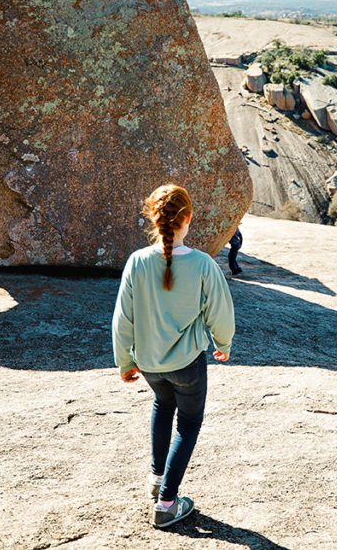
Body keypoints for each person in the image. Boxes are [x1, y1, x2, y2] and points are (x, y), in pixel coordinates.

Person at [112, 184, 235, 529]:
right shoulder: (202, 264)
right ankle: (167, 503)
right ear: (189, 218)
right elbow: (220, 312)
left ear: (152, 216)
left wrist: (125, 361)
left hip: (149, 364)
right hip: (187, 364)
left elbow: (123, 318)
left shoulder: (137, 262)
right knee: (189, 424)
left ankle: (155, 479)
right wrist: (223, 343)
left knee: (162, 406)